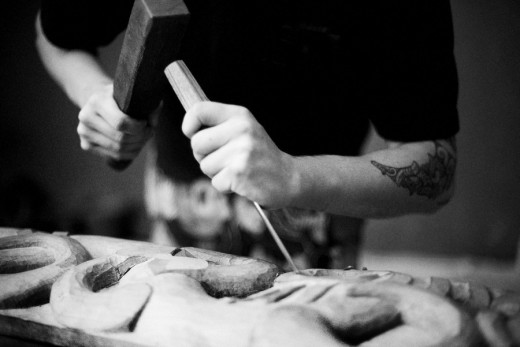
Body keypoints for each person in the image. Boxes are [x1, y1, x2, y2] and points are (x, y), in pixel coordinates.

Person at [35, 0, 459, 270]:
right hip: (176, 207)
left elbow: (438, 169)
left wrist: (292, 176)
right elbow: (52, 34)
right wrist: (96, 95)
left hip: (319, 223)